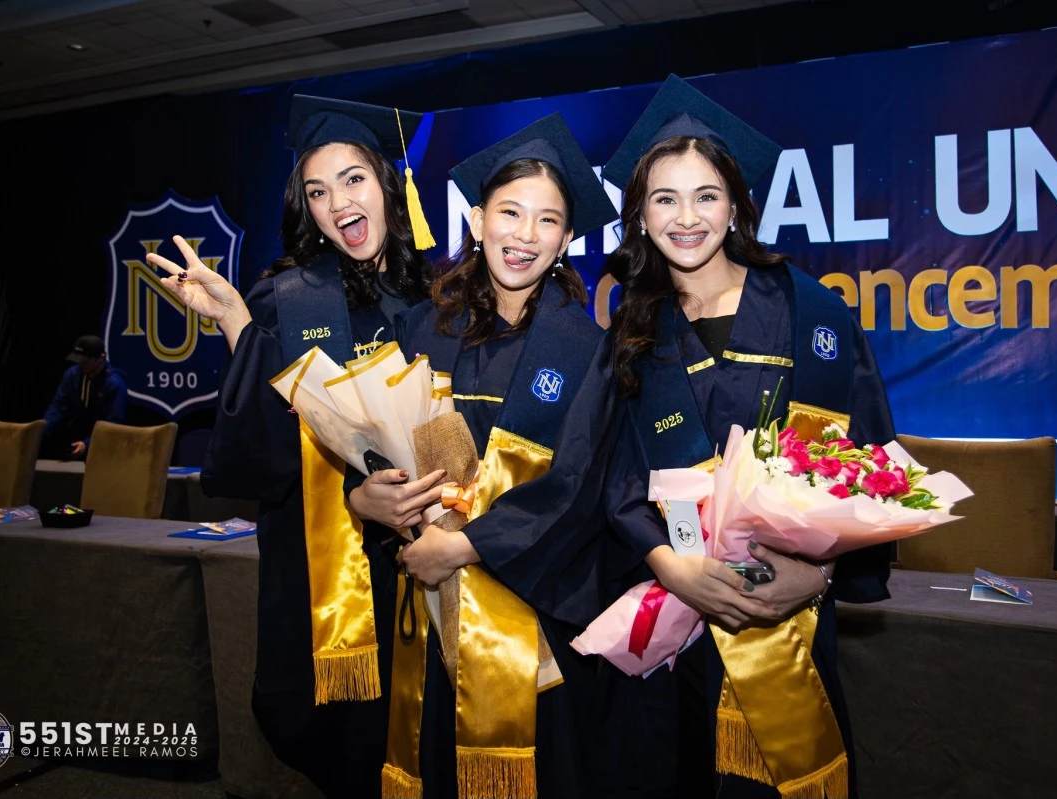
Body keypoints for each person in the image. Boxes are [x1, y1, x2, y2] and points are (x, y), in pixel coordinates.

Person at [592, 75, 896, 799]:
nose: (686, 217)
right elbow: (614, 474)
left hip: (784, 614)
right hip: (668, 620)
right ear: (641, 217)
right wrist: (669, 564)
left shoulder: (809, 313)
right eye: (664, 199)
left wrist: (820, 574)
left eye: (706, 196)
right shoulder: (633, 329)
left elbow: (864, 461)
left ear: (735, 205)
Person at [147, 95, 443, 798]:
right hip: (340, 578)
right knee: (355, 751)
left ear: (388, 183)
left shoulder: (439, 296)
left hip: (435, 565)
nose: (338, 203)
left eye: (353, 179)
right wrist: (236, 323)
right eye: (317, 191)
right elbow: (260, 453)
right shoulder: (288, 299)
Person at [363, 113, 618, 799]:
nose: (525, 234)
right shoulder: (422, 329)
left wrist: (466, 545)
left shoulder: (587, 350)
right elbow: (380, 445)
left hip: (536, 621)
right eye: (510, 212)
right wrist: (377, 497)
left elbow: (581, 489)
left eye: (547, 221)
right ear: (477, 221)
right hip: (432, 600)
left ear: (566, 239)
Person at [41, 334, 128, 458]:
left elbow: (113, 423)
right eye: (78, 360)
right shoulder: (72, 375)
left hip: (102, 443)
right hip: (72, 436)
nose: (80, 364)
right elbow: (58, 406)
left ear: (101, 357)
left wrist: (87, 443)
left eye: (85, 361)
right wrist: (43, 428)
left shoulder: (114, 384)